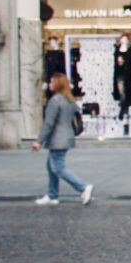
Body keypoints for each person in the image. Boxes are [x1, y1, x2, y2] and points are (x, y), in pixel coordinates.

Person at [31, 73, 93, 206]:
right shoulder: (69, 100)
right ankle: (52, 195)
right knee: (50, 166)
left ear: (58, 84)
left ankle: (82, 187)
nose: (50, 85)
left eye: (52, 82)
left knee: (58, 168)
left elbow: (49, 123)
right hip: (66, 137)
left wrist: (38, 141)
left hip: (57, 139)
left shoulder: (55, 100)